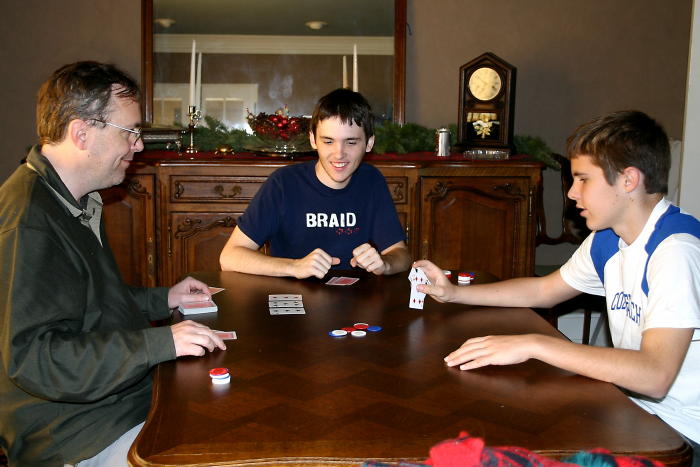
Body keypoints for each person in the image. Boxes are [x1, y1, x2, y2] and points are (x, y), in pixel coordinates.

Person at [415, 110, 700, 459]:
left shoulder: (675, 251)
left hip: (684, 439)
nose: (572, 193)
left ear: (628, 180)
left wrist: (535, 344)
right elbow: (543, 290)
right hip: (636, 415)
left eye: (583, 179)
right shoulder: (608, 239)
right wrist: (454, 293)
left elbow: (655, 375)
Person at [0, 61, 226, 467]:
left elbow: (88, 307)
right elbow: (36, 360)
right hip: (72, 433)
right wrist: (160, 342)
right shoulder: (29, 222)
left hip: (115, 403)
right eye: (130, 132)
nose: (138, 145)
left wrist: (163, 299)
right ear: (81, 134)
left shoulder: (75, 198)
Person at [220, 88, 411, 279]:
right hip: (291, 300)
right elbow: (229, 257)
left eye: (351, 142)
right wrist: (295, 267)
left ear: (369, 144)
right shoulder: (283, 183)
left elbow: (401, 254)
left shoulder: (372, 181)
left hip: (354, 301)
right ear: (313, 139)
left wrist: (384, 263)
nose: (339, 154)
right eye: (328, 141)